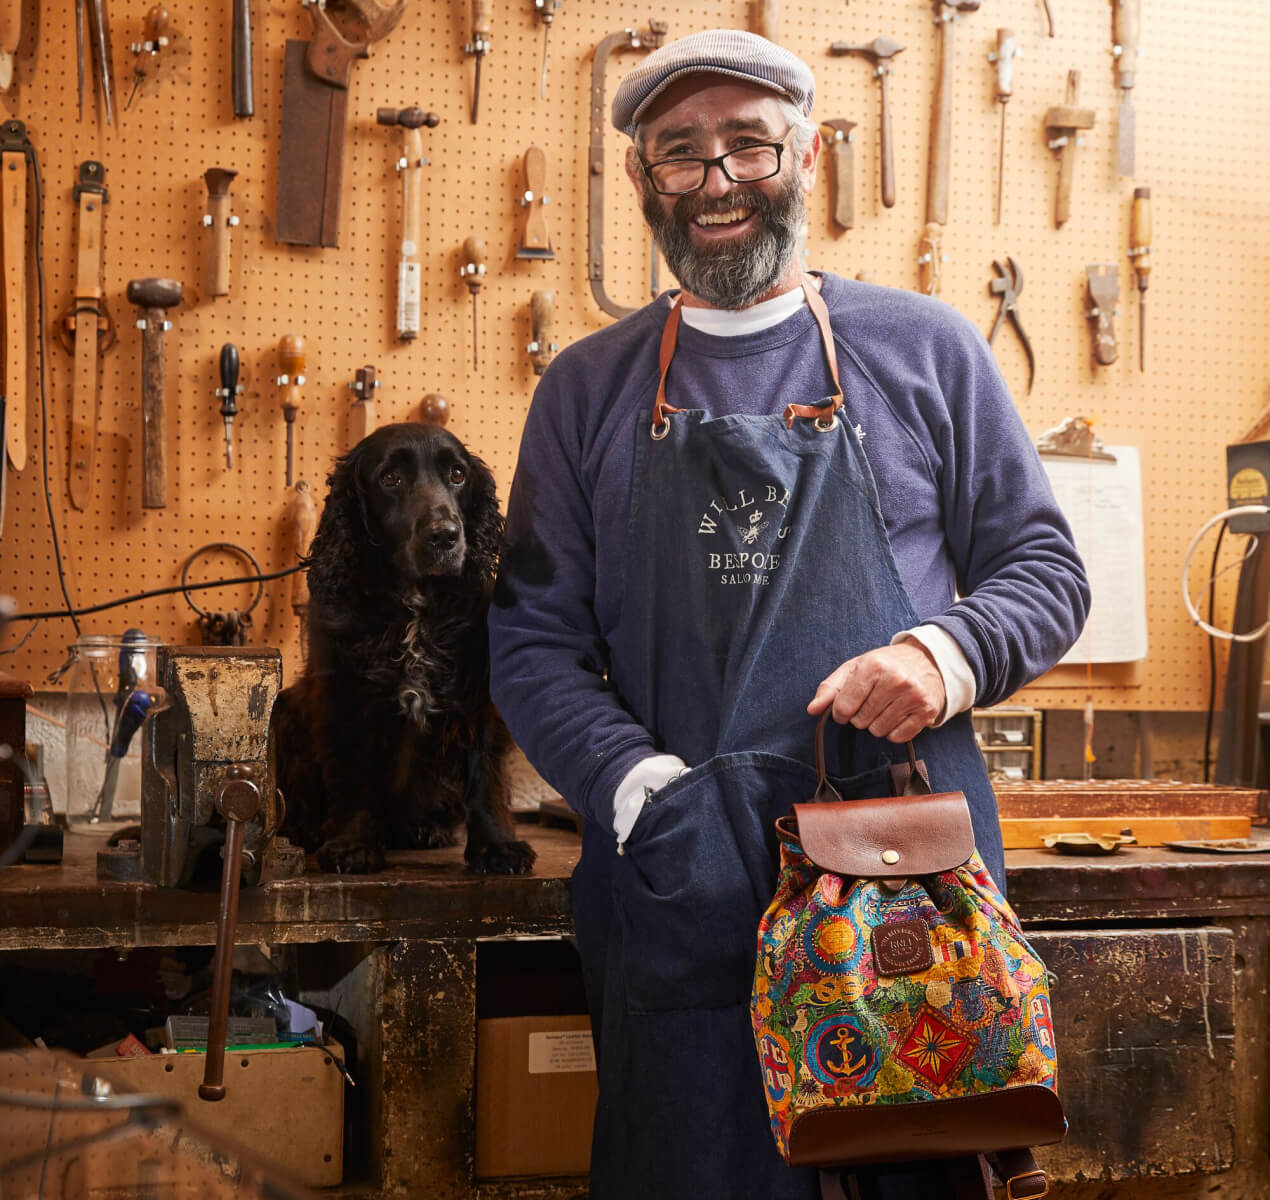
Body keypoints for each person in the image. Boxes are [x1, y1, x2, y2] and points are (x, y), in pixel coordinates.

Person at [489, 29, 1089, 1200]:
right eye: (680, 155)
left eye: (747, 146)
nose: (717, 182)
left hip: (906, 880)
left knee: (915, 1176)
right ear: (639, 181)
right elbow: (532, 637)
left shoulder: (926, 351)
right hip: (682, 876)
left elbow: (1043, 570)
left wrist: (944, 651)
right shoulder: (586, 391)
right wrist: (638, 794)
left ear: (805, 155)